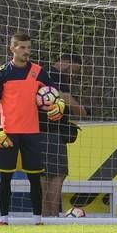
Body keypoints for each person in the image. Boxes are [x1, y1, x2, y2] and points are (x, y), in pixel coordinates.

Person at [0, 33, 65, 225]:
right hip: (8, 133)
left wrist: (60, 105)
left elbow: (55, 92)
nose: (26, 51)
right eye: (22, 47)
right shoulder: (1, 73)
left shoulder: (38, 71)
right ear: (12, 48)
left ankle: (37, 219)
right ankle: (3, 219)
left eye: (28, 48)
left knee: (34, 178)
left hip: (32, 132)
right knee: (5, 178)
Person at [39, 54, 88, 217]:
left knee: (46, 176)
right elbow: (66, 100)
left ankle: (45, 216)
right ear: (67, 63)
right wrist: (79, 108)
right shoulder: (55, 77)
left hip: (39, 133)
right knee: (57, 174)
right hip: (51, 133)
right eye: (75, 71)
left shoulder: (43, 75)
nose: (74, 75)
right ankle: (51, 216)